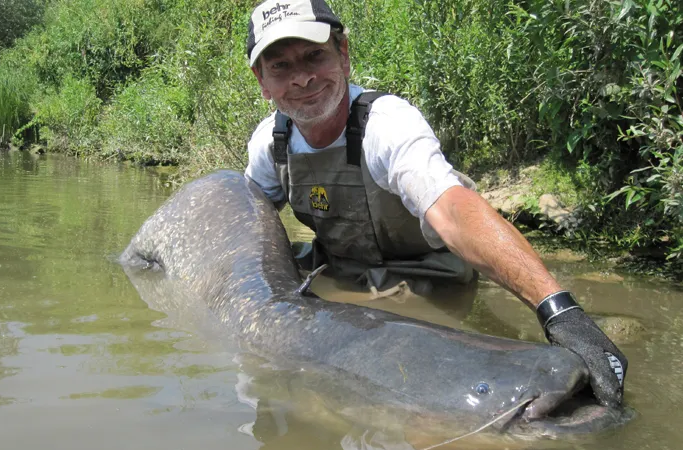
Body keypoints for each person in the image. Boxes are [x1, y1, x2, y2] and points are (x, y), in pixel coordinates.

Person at [243, 0, 627, 407]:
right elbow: (246, 232)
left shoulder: (387, 125)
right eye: (280, 66)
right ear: (262, 80)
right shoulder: (271, 143)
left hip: (427, 288)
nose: (302, 78)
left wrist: (559, 311)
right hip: (342, 280)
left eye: (314, 55)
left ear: (343, 55)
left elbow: (453, 211)